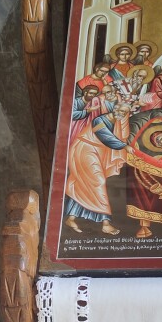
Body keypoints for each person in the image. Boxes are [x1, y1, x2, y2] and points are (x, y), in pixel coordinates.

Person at [64, 101, 131, 236]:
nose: (122, 114)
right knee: (98, 182)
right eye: (121, 111)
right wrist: (124, 146)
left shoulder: (116, 122)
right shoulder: (99, 120)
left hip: (96, 152)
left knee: (84, 185)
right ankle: (105, 223)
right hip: (85, 150)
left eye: (124, 113)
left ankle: (71, 218)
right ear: (115, 108)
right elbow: (104, 135)